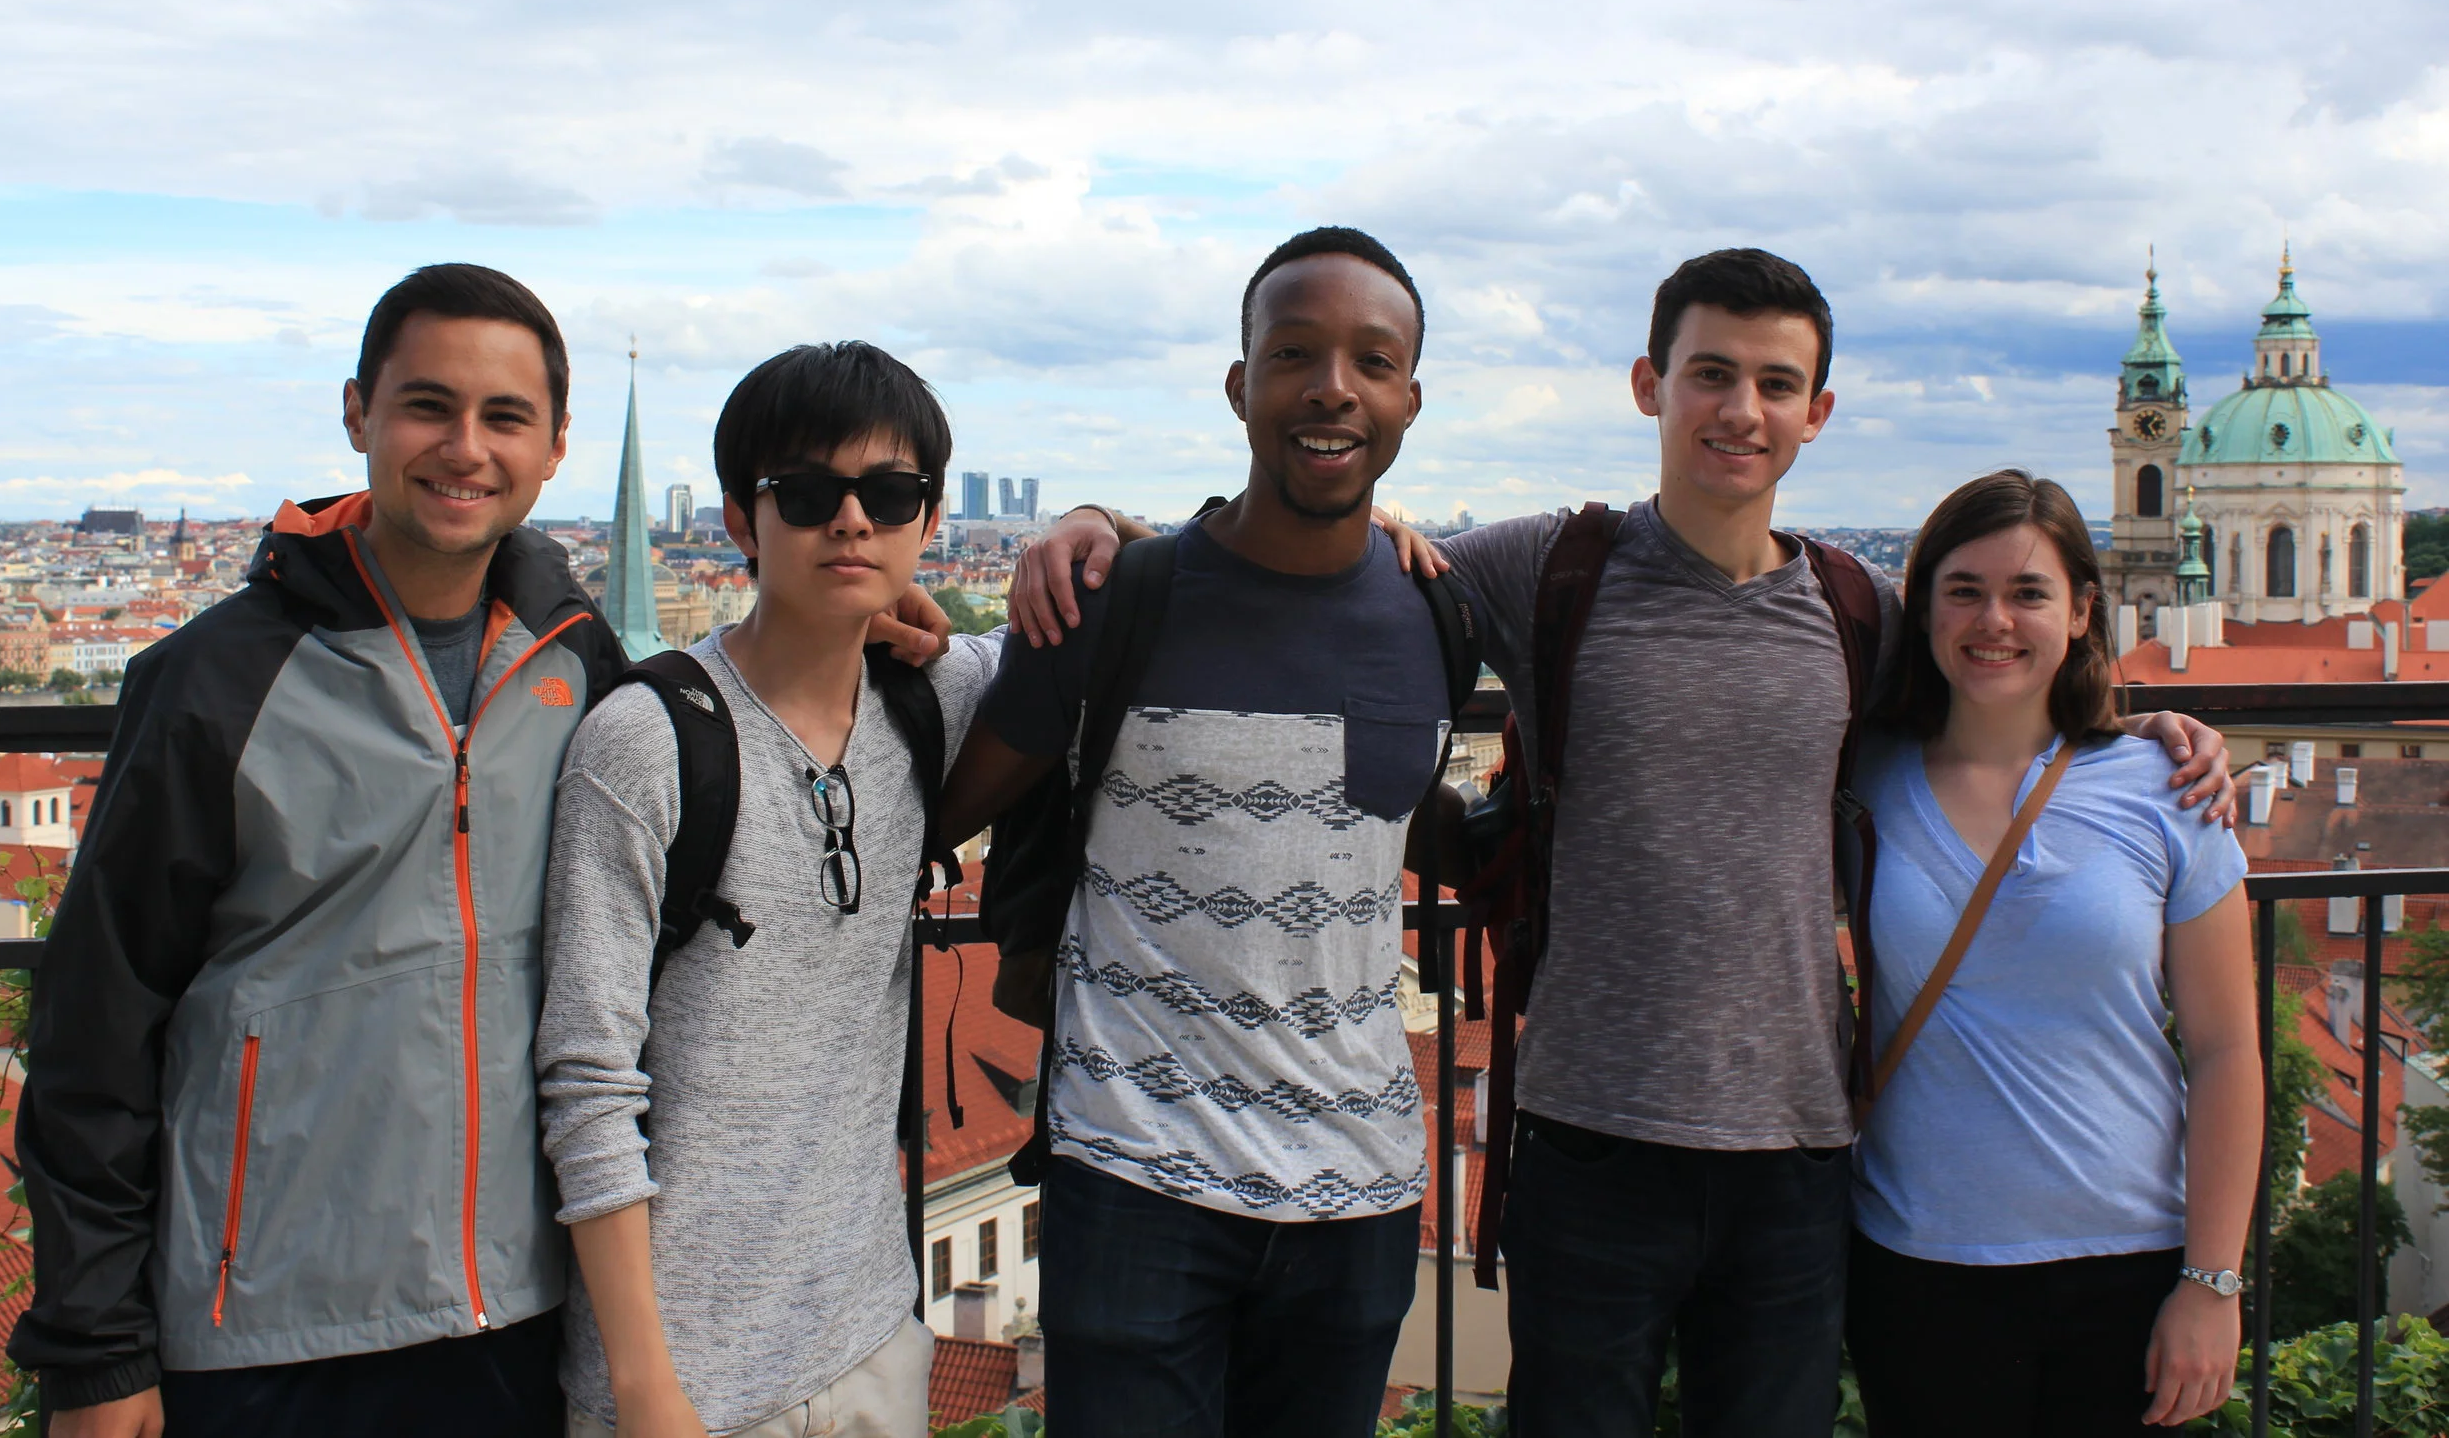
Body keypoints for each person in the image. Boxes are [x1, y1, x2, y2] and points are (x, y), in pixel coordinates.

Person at [1009, 247, 2236, 1438]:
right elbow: (1304, 550)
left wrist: (2145, 729)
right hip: (1589, 1138)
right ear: (1652, 385)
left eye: (1770, 383)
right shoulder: (1546, 565)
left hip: (1798, 1148)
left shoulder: (1860, 610)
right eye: (1709, 373)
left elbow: (2006, 678)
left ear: (1815, 412)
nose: (1737, 409)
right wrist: (1095, 522)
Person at [10, 264, 628, 1438]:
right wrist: (94, 1349)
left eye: (505, 416)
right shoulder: (212, 681)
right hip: (264, 1327)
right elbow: (95, 1023)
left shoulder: (580, 662)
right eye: (426, 405)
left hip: (516, 1310)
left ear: (553, 447)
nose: (464, 446)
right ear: (359, 413)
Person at [935, 228, 1481, 1438]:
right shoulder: (1115, 597)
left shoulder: (1438, 604)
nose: (1331, 385)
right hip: (1135, 1178)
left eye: (1369, 360)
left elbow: (1412, 813)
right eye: (1293, 353)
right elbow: (941, 812)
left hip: (1360, 1186)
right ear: (1241, 385)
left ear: (1407, 399)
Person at [536, 342, 999, 1438]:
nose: (851, 521)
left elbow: (1119, 606)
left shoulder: (932, 702)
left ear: (927, 523)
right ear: (742, 522)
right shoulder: (643, 744)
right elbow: (587, 1077)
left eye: (889, 495)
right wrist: (646, 1388)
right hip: (686, 1376)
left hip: (870, 1332)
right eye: (807, 492)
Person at [1841, 469, 2255, 1436]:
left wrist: (2213, 1281)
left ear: (2080, 614)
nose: (1996, 619)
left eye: (2029, 592)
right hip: (1919, 1257)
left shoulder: (2166, 787)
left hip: (2129, 1259)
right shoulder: (1862, 773)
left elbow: (2228, 1047)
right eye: (1964, 590)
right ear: (1925, 605)